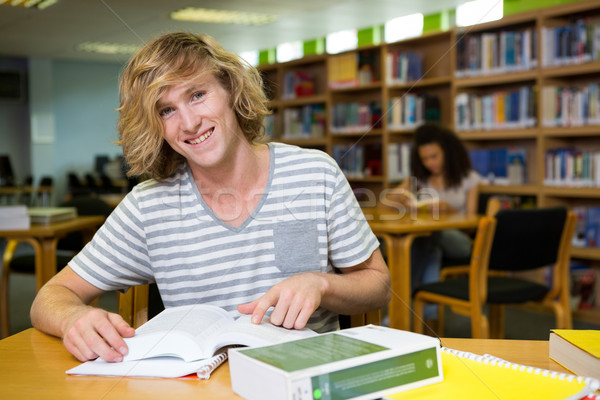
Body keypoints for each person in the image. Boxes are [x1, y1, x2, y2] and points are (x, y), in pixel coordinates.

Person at [30, 32, 391, 363]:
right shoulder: (148, 206)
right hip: (199, 386)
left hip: (302, 378)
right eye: (166, 110)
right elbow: (51, 296)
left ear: (231, 90)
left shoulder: (315, 173)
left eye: (197, 95)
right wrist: (74, 317)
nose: (188, 123)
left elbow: (379, 285)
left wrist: (322, 284)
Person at [384, 123, 480, 301]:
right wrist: (401, 197)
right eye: (424, 159)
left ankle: (399, 301)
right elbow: (385, 204)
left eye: (434, 156)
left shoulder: (469, 179)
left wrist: (449, 210)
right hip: (429, 240)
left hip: (460, 243)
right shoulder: (420, 179)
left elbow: (472, 227)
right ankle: (429, 318)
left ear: (447, 151)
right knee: (431, 249)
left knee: (427, 237)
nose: (430, 163)